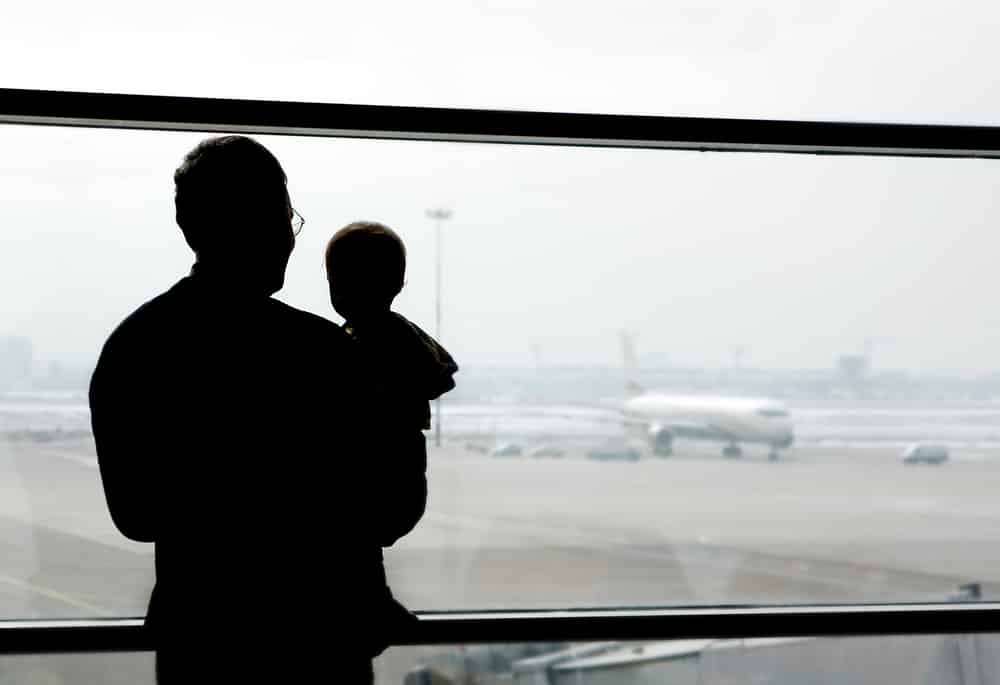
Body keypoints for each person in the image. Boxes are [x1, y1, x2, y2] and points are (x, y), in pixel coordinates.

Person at [89, 136, 425, 683]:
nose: (288, 239)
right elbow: (393, 509)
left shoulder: (136, 347)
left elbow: (136, 516)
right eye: (281, 217)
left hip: (204, 643)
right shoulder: (328, 353)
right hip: (320, 645)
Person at [324, 221, 459, 447]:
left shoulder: (397, 333)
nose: (344, 292)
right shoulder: (397, 331)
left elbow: (439, 377)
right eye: (339, 280)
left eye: (358, 281)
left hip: (394, 440)